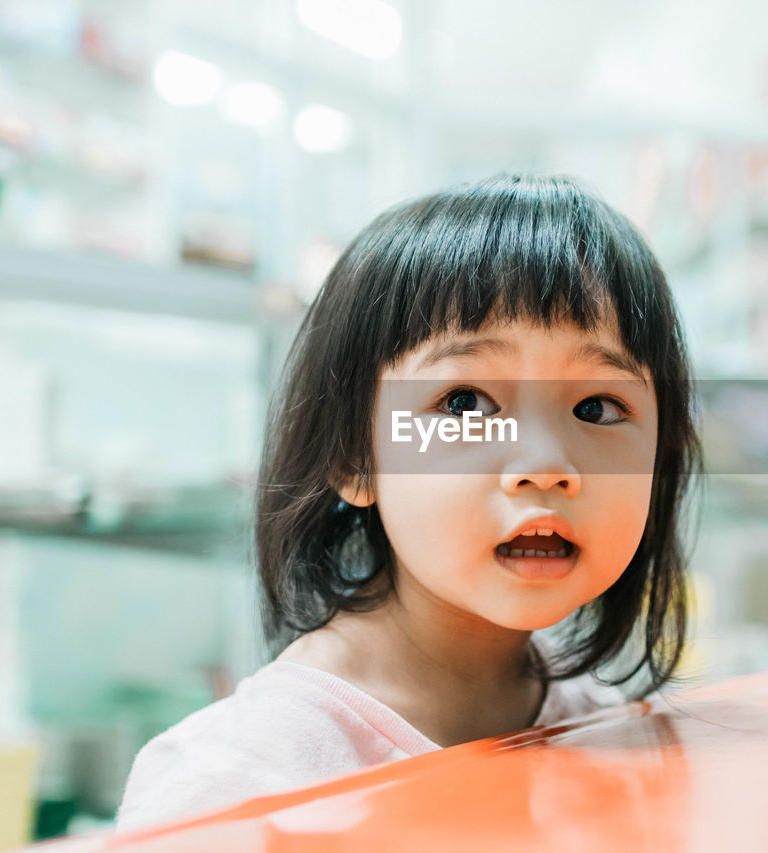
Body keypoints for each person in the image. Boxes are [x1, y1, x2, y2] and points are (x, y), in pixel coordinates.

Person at [115, 173, 704, 830]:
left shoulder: (599, 725)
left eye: (597, 406)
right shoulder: (242, 784)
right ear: (353, 456)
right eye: (465, 403)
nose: (546, 465)